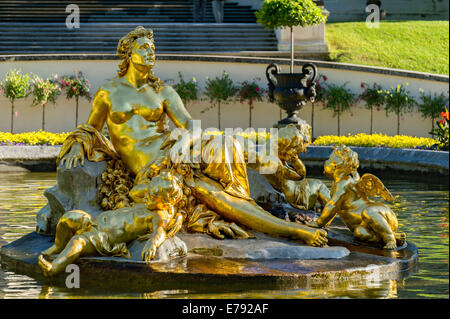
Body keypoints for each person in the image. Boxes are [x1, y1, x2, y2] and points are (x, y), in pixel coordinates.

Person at [58, 26, 328, 247]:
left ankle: (277, 169)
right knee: (217, 197)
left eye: (153, 49)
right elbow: (90, 128)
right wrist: (77, 144)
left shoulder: (163, 92)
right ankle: (292, 225)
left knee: (225, 141)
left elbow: (191, 126)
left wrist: (184, 141)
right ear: (128, 54)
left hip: (176, 150)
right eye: (143, 48)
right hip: (155, 167)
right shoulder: (109, 92)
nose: (151, 53)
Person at [38, 170, 185, 277]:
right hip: (93, 222)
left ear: (165, 202)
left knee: (78, 241)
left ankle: (54, 268)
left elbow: (160, 231)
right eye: (148, 191)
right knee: (68, 218)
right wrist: (152, 187)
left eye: (152, 195)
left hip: (102, 238)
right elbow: (134, 192)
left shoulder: (159, 214)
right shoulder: (149, 202)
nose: (146, 195)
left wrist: (152, 242)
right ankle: (58, 246)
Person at [309, 146, 406, 249]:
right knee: (359, 233)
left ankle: (390, 238)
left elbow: (332, 205)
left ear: (336, 166)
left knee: (368, 212)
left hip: (378, 214)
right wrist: (326, 223)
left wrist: (319, 223)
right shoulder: (339, 183)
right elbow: (335, 208)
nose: (325, 162)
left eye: (329, 160)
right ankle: (391, 236)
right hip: (366, 225)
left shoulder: (344, 183)